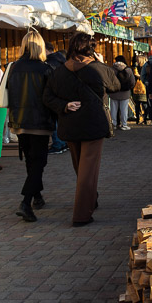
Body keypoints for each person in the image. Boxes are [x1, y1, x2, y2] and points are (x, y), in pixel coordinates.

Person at [43, 32, 121, 226]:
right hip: (93, 124)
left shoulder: (59, 71)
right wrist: (102, 63)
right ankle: (81, 214)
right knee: (88, 171)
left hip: (70, 125)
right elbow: (116, 85)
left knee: (81, 167)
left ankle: (90, 198)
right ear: (91, 49)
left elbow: (47, 97)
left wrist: (64, 106)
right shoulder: (98, 68)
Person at [7, 30, 56, 223]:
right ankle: (26, 201)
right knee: (38, 162)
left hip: (19, 120)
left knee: (30, 160)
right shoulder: (45, 69)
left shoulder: (13, 67)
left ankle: (37, 196)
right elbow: (51, 97)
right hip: (40, 121)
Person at [45, 42, 68, 154]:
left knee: (53, 120)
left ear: (46, 50)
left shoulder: (50, 62)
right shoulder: (62, 60)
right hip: (63, 94)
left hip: (54, 95)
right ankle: (63, 143)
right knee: (60, 120)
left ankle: (58, 144)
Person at [110, 55, 135, 131]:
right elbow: (132, 82)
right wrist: (129, 88)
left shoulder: (111, 69)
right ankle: (124, 124)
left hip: (114, 92)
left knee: (113, 110)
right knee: (124, 110)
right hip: (125, 92)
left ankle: (113, 124)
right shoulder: (128, 69)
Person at [140, 52, 152, 126]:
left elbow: (142, 76)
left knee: (150, 103)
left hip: (149, 86)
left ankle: (150, 119)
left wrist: (146, 83)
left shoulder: (146, 64)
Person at [131, 54, 147, 124]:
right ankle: (144, 119)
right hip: (143, 88)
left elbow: (135, 75)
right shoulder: (146, 67)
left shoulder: (136, 68)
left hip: (137, 89)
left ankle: (139, 119)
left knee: (138, 105)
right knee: (144, 105)